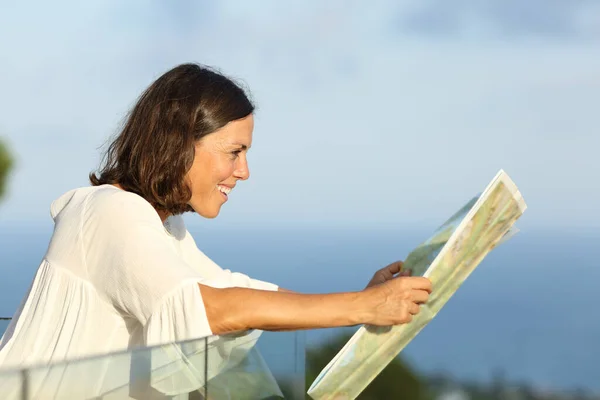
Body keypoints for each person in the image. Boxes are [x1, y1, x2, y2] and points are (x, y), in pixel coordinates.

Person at [0, 63, 431, 390]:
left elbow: (240, 294)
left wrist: (364, 298)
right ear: (181, 142)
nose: (243, 171)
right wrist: (361, 306)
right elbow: (214, 309)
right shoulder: (111, 212)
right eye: (234, 152)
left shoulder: (160, 229)